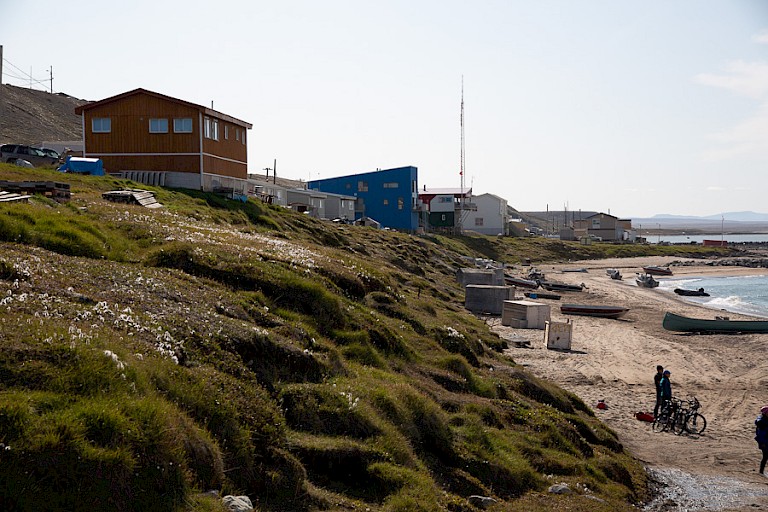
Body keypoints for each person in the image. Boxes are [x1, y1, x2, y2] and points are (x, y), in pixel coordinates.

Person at [756, 405, 768, 475]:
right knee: (766, 456)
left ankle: (761, 471)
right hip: (764, 442)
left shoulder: (765, 420)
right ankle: (761, 472)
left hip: (766, 441)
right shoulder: (762, 422)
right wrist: (762, 443)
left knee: (765, 457)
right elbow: (761, 434)